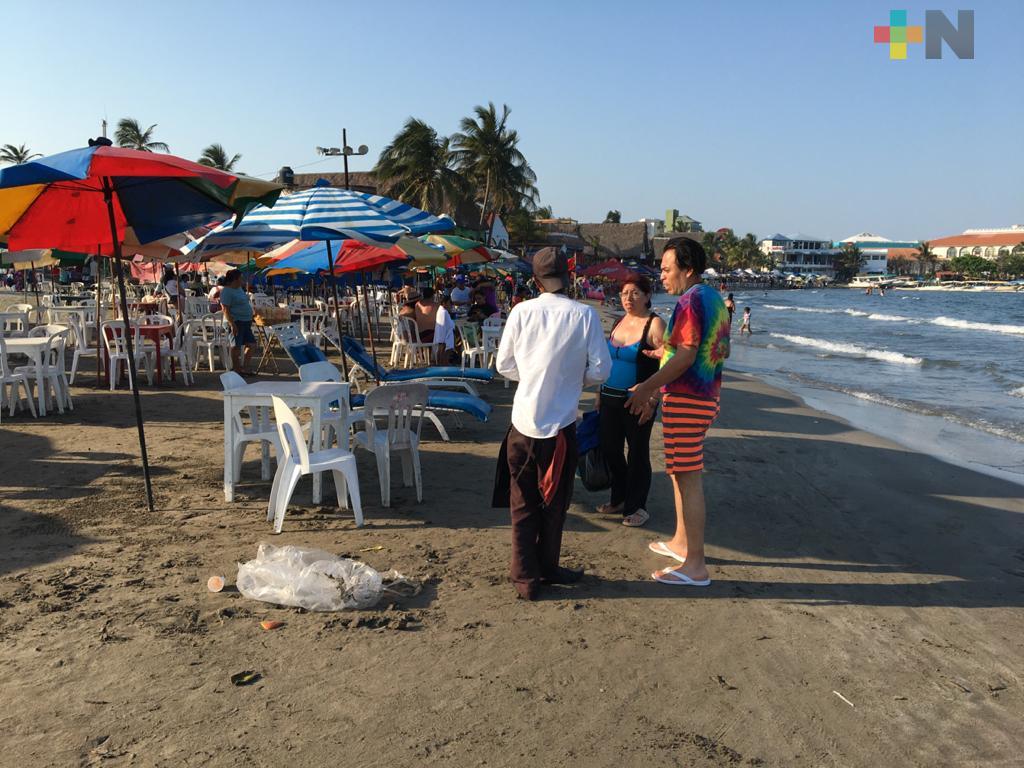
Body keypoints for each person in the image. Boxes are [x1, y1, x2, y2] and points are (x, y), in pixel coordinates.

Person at [493, 249, 610, 600]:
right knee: (555, 504)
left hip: (523, 423)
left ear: (536, 280)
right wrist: (573, 381)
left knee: (523, 503)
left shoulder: (521, 312)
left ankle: (527, 575)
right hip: (561, 427)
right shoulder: (584, 315)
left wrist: (531, 378)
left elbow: (503, 365)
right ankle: (544, 566)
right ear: (569, 277)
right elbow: (602, 371)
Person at [626, 237, 730, 588]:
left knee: (687, 477)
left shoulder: (690, 300)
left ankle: (696, 565)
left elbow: (687, 355)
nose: (662, 276)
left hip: (688, 399)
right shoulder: (713, 298)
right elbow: (711, 352)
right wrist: (664, 356)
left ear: (687, 270)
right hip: (704, 395)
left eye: (667, 269)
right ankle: (682, 542)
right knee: (678, 473)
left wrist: (647, 387)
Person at [597, 276, 665, 527]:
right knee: (611, 450)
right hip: (608, 398)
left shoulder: (655, 325)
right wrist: (598, 395)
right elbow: (608, 361)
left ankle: (638, 507)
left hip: (638, 402)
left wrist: (653, 398)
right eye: (625, 293)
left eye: (635, 293)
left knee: (637, 453)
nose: (628, 298)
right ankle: (619, 498)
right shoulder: (618, 321)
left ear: (647, 296)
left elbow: (668, 362)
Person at [219, 269, 257, 375]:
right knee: (236, 346)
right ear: (235, 279)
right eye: (241, 278)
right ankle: (236, 369)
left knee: (252, 344)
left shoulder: (239, 288)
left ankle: (245, 367)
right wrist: (232, 324)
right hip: (236, 321)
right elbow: (225, 309)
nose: (242, 280)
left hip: (246, 321)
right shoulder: (226, 291)